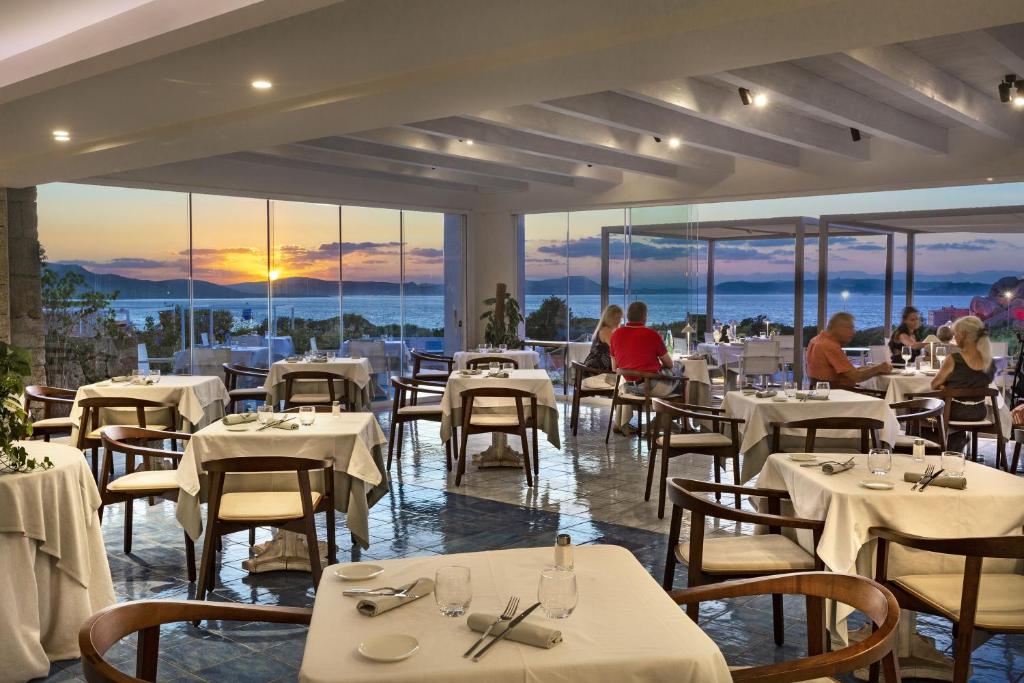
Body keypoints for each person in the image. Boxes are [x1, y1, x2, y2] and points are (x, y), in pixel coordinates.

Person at [609, 301, 679, 433]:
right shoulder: (652, 334)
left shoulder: (615, 335)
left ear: (628, 316)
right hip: (651, 387)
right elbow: (670, 364)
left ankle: (662, 421)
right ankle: (678, 423)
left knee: (672, 375)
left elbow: (614, 368)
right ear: (645, 316)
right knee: (680, 373)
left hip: (629, 388)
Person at [930, 316, 995, 452]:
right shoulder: (989, 361)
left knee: (920, 409)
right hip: (979, 412)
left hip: (955, 412)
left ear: (964, 335)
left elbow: (934, 384)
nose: (955, 337)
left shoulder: (954, 359)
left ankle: (935, 449)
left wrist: (946, 388)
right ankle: (957, 445)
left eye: (956, 334)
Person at [806, 312, 891, 389]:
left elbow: (848, 371)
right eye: (850, 328)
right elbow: (857, 377)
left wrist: (874, 368)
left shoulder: (815, 340)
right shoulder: (830, 346)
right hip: (839, 395)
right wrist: (878, 369)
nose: (853, 332)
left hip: (821, 391)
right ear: (839, 328)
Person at [580, 304, 622, 390]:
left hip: (594, 370)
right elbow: (617, 350)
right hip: (595, 372)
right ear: (610, 318)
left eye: (620, 318)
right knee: (627, 380)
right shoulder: (607, 330)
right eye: (617, 318)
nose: (619, 321)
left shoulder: (604, 329)